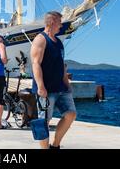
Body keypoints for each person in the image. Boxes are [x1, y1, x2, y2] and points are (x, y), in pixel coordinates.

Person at [31, 11, 76, 149]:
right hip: (46, 89)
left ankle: (55, 145)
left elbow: (61, 65)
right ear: (52, 22)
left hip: (61, 88)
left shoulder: (59, 42)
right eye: (59, 22)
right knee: (44, 121)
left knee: (71, 114)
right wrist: (40, 86)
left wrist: (67, 84)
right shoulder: (40, 39)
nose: (61, 25)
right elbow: (35, 63)